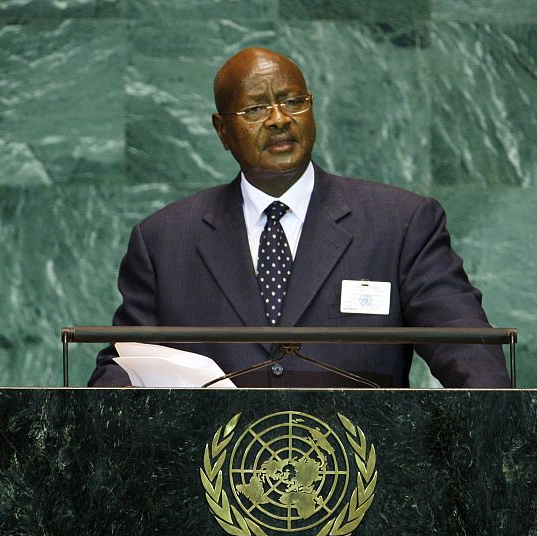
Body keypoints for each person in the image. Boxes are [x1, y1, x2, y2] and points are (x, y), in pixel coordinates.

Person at [89, 47, 510, 388]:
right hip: (212, 479)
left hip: (364, 475)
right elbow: (122, 366)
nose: (278, 120)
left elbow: (468, 350)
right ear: (222, 131)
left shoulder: (400, 223)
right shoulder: (164, 240)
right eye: (255, 109)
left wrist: (502, 433)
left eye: (293, 101)